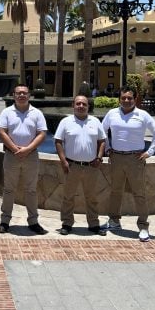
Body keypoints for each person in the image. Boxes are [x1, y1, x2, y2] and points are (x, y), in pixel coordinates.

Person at [101, 86, 155, 242]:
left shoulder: (142, 115)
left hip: (135, 160)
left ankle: (143, 226)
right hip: (116, 158)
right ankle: (114, 221)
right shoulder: (112, 114)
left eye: (129, 98)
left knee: (139, 194)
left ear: (135, 99)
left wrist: (149, 152)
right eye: (123, 98)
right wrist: (108, 148)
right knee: (115, 191)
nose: (126, 101)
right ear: (119, 99)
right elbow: (102, 131)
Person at [0, 85, 48, 235]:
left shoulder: (37, 113)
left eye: (24, 93)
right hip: (11, 156)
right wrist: (14, 148)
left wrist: (27, 149)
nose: (21, 95)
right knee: (8, 189)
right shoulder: (6, 112)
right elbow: (1, 132)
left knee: (31, 190)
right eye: (18, 93)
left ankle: (33, 221)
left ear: (29, 95)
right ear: (14, 95)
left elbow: (42, 133)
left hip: (31, 156)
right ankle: (5, 221)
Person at [54, 95, 106, 236]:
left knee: (92, 197)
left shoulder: (95, 121)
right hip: (72, 166)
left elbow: (102, 141)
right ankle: (67, 223)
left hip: (91, 166)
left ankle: (94, 224)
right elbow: (58, 141)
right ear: (73, 105)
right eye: (78, 103)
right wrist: (63, 160)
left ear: (88, 106)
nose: (81, 106)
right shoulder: (66, 121)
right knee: (68, 196)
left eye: (84, 104)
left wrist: (99, 158)